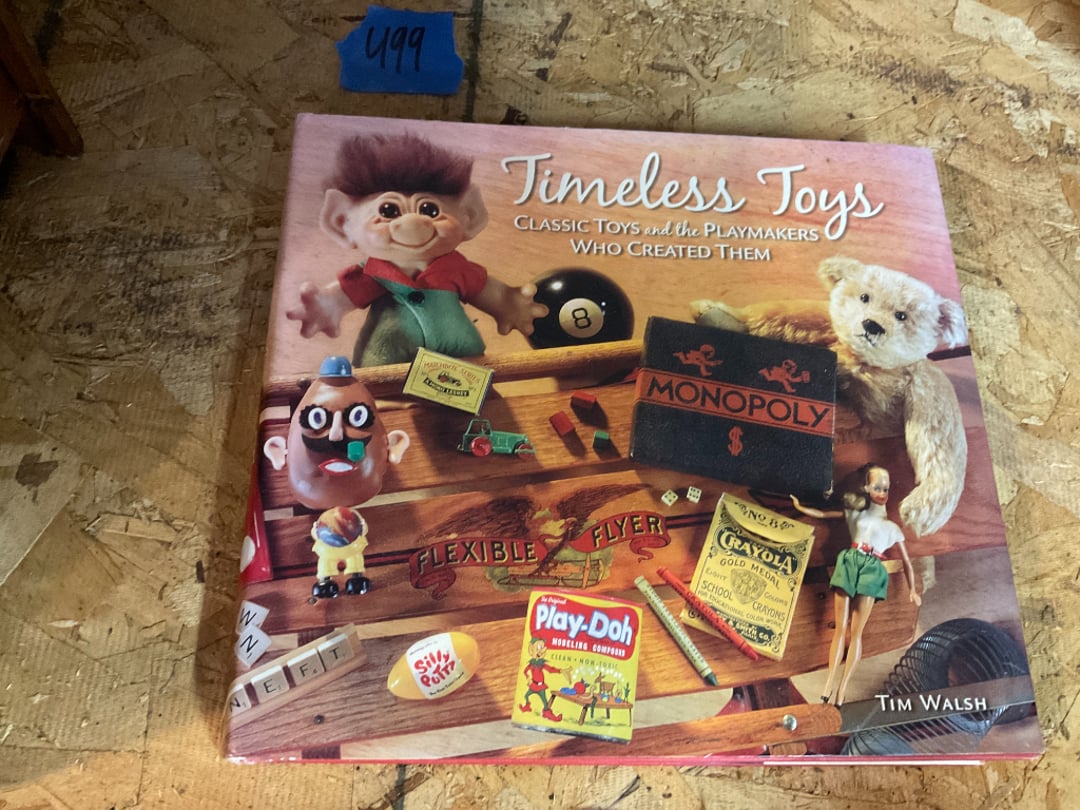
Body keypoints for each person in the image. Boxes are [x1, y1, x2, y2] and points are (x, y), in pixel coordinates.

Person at [792, 463, 921, 707]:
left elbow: (906, 561)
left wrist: (912, 589)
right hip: (850, 561)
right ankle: (829, 684)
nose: (882, 492)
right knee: (840, 628)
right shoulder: (856, 515)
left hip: (873, 568)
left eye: (885, 488)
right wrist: (800, 507)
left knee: (856, 632)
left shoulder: (892, 528)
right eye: (877, 487)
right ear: (866, 487)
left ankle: (842, 689)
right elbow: (823, 515)